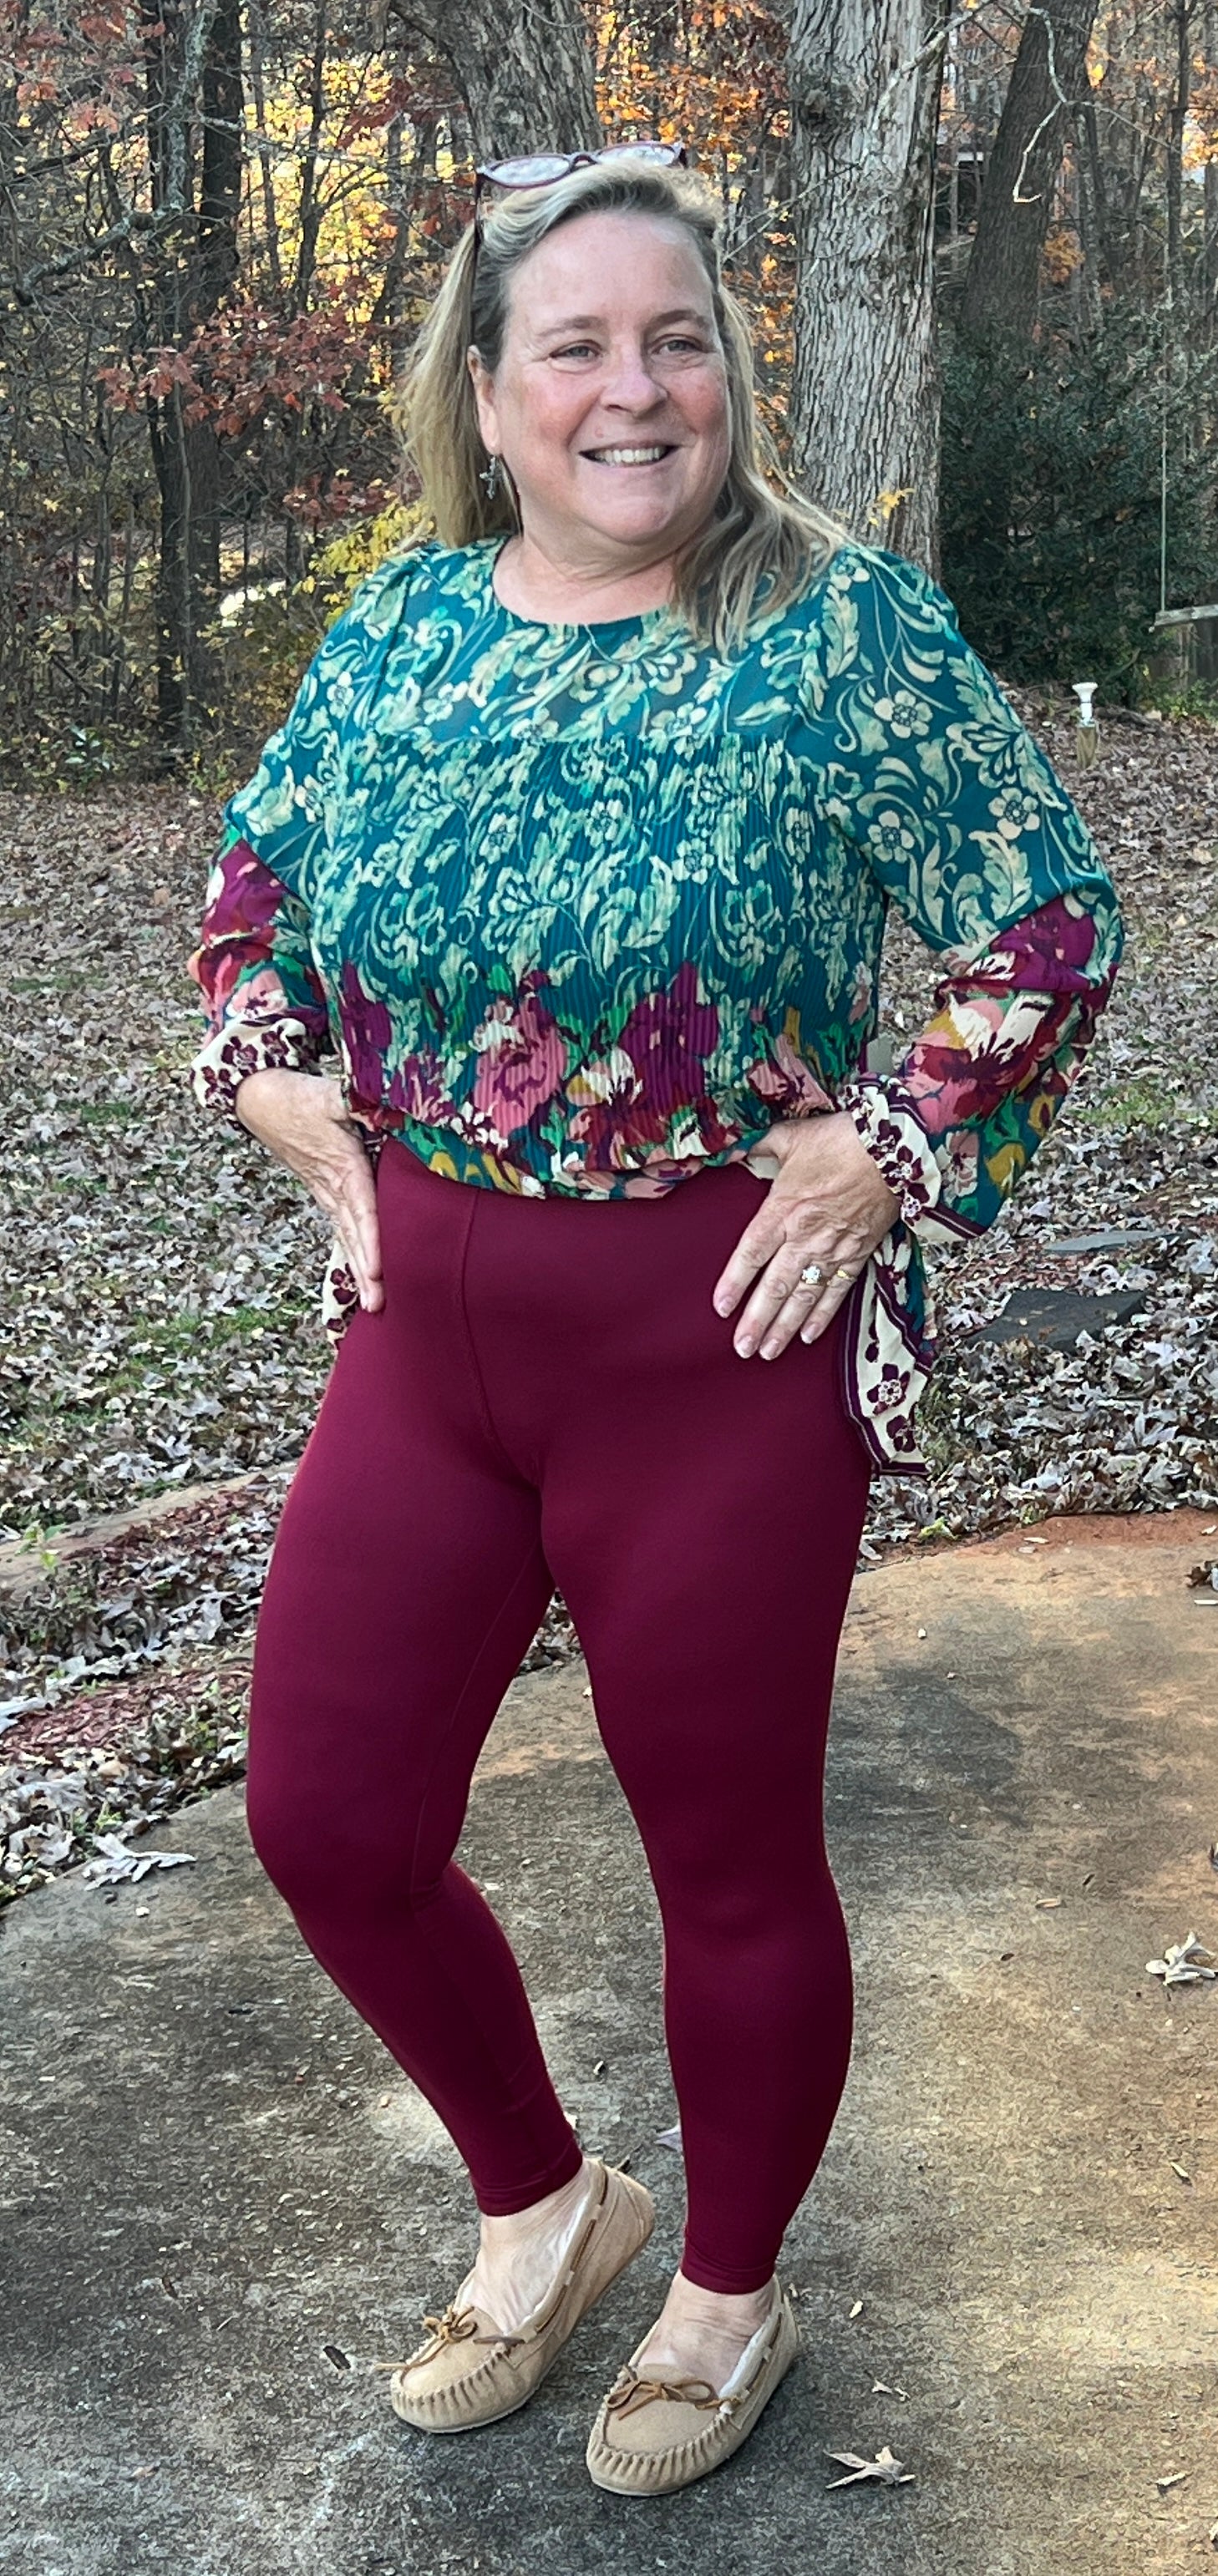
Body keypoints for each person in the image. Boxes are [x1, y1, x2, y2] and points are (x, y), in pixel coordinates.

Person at [189, 146, 1122, 2497]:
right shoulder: (402, 631)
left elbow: (1043, 925)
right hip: (426, 1332)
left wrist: (887, 1143)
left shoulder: (839, 631)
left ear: (730, 373)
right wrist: (273, 1078)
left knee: (727, 1855)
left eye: (678, 338)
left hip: (714, 1338)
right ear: (488, 390)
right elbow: (250, 899)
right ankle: (543, 2200)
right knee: (327, 1817)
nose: (635, 389)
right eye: (579, 346)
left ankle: (725, 2282)